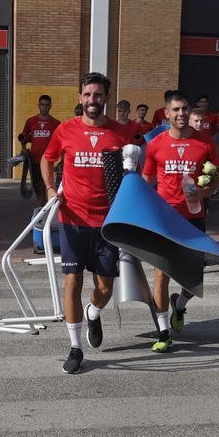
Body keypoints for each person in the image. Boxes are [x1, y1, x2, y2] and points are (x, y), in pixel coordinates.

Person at [42, 72, 139, 374]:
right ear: (80, 97)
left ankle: (93, 312)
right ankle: (75, 347)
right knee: (72, 281)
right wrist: (49, 189)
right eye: (87, 95)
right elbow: (48, 159)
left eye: (97, 95)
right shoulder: (65, 130)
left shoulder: (122, 134)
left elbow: (137, 169)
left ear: (106, 98)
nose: (92, 100)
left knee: (105, 289)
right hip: (72, 219)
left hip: (107, 223)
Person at [141, 92, 219, 352]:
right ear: (167, 114)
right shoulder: (156, 144)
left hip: (194, 217)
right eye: (175, 110)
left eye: (185, 108)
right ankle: (164, 332)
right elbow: (145, 181)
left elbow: (217, 178)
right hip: (165, 218)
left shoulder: (205, 143)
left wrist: (204, 192)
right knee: (161, 274)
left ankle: (180, 304)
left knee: (195, 276)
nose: (181, 114)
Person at [17, 95, 58, 210]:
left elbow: (61, 142)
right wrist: (24, 148)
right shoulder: (31, 121)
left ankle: (38, 219)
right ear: (38, 105)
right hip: (34, 162)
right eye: (42, 104)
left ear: (50, 106)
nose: (44, 107)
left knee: (43, 190)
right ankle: (42, 215)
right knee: (38, 191)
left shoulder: (56, 123)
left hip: (48, 162)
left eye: (47, 105)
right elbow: (23, 137)